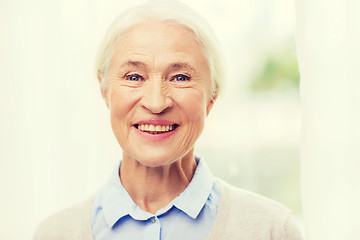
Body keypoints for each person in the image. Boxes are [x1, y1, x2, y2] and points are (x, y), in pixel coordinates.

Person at [33, 0, 304, 239]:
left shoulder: (271, 230)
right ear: (105, 90)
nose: (156, 102)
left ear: (212, 95)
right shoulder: (55, 234)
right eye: (134, 77)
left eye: (180, 78)